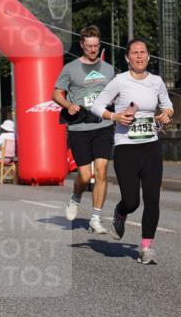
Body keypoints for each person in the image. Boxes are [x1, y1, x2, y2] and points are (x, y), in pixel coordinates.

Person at [91, 39, 173, 265]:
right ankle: (120, 212)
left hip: (151, 146)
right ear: (127, 58)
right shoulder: (119, 81)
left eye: (143, 52)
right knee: (132, 201)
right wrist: (115, 117)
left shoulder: (156, 81)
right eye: (135, 53)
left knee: (153, 199)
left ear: (148, 56)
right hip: (126, 147)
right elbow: (97, 106)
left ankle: (146, 248)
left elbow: (167, 105)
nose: (139, 56)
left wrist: (167, 114)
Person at [53, 25, 115, 234]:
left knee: (101, 172)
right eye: (89, 46)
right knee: (84, 175)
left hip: (103, 125)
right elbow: (56, 94)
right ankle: (76, 196)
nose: (93, 49)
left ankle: (96, 218)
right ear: (82, 45)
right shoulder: (70, 68)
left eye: (96, 46)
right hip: (79, 127)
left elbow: (116, 92)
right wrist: (67, 105)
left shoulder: (108, 69)